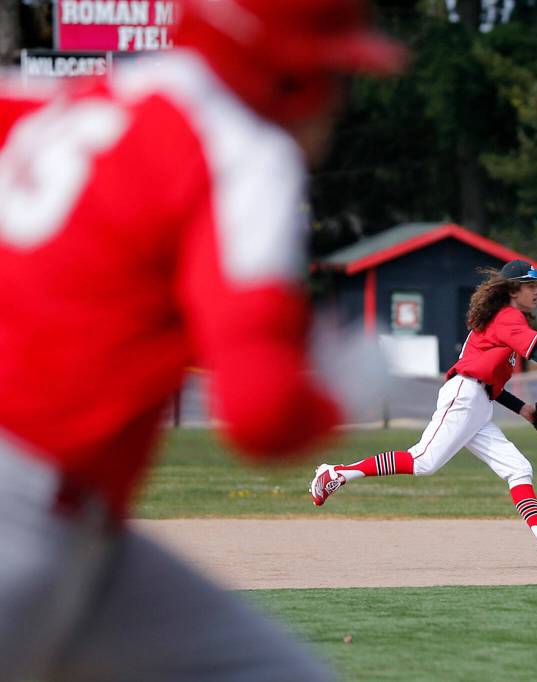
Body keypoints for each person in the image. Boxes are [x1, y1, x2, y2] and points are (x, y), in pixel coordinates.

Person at [0, 1, 405, 679]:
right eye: (333, 75)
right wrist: (338, 389)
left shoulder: (53, 101)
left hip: (81, 537)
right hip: (24, 522)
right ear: (285, 77)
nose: (338, 102)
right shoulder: (242, 150)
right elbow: (261, 413)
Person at [309, 259, 537, 567]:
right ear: (512, 290)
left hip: (478, 403)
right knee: (422, 461)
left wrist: (526, 411)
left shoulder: (504, 323)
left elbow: (492, 383)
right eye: (529, 285)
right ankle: (336, 473)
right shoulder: (508, 318)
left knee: (518, 468)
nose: (536, 291)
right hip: (464, 396)